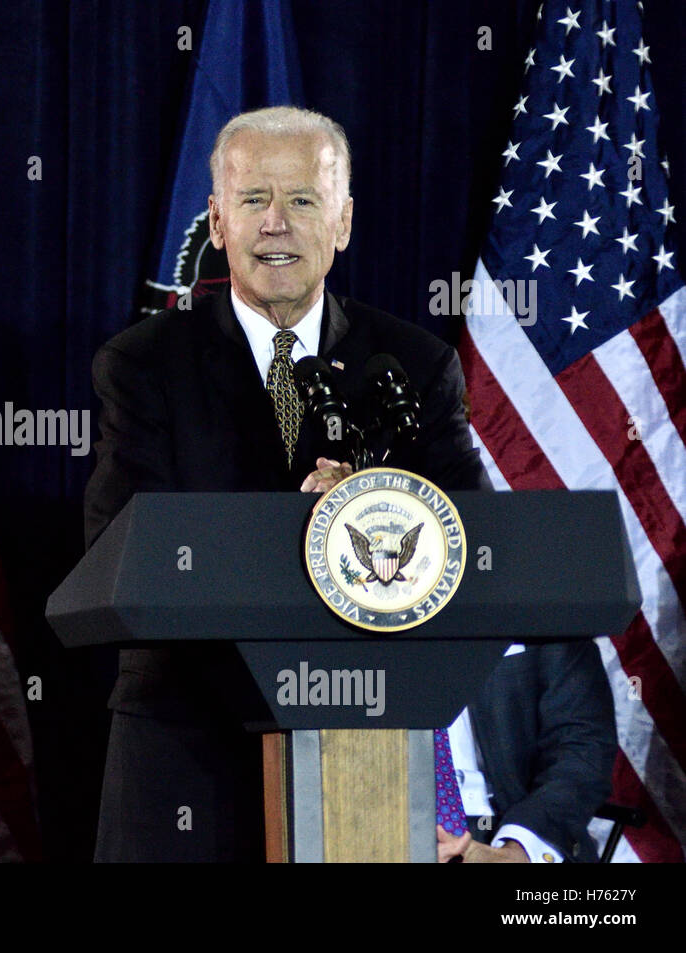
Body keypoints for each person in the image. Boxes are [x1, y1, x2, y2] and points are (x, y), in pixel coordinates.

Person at [85, 106, 614, 862]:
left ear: (343, 221)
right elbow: (119, 552)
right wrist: (303, 530)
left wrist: (374, 511)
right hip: (189, 754)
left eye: (302, 200)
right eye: (252, 201)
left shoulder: (412, 364)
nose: (276, 223)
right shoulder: (142, 365)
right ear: (217, 223)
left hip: (371, 758)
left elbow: (476, 550)